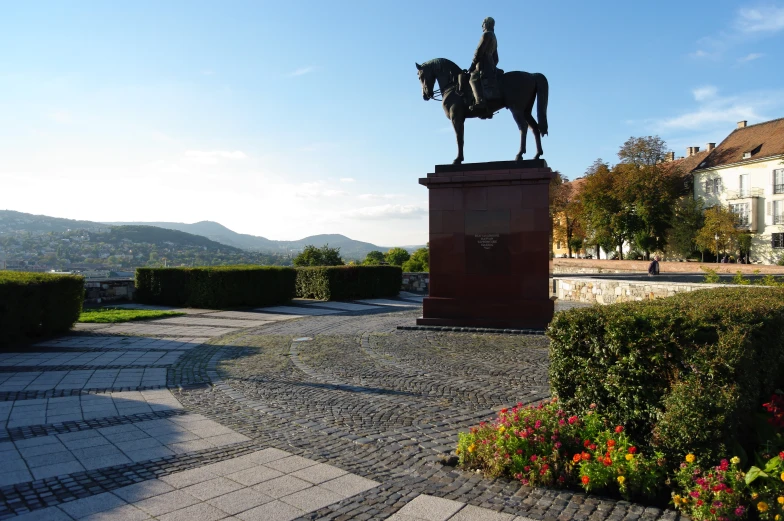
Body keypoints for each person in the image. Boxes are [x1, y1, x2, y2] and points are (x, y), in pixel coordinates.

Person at [468, 17, 499, 115]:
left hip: (484, 65)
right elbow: (496, 58)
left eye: (483, 23)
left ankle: (479, 101)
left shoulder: (486, 35)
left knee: (472, 78)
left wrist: (472, 65)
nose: (482, 25)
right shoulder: (494, 37)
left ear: (488, 24)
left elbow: (479, 52)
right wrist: (493, 66)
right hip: (491, 65)